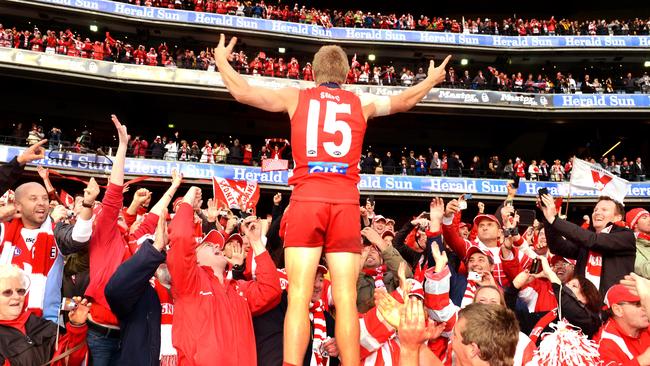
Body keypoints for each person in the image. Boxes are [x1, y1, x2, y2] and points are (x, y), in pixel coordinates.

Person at [213, 33, 451, 366]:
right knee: (345, 295)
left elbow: (242, 91)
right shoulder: (361, 103)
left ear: (312, 73)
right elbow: (404, 102)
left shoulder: (296, 98)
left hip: (308, 197)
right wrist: (430, 80)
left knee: (297, 296)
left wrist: (222, 60)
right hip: (344, 202)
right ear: (346, 75)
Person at [167, 186, 282, 366]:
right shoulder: (189, 281)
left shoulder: (239, 288)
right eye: (207, 245)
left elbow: (271, 290)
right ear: (194, 260)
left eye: (217, 245)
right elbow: (181, 237)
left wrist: (256, 242)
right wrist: (187, 202)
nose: (216, 246)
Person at [540, 194, 636, 296]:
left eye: (604, 210)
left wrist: (554, 220)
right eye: (595, 210)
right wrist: (548, 219)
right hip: (584, 304)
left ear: (618, 217)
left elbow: (593, 240)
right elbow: (558, 247)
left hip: (612, 306)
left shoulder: (626, 235)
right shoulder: (586, 240)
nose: (597, 212)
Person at [0, 265, 91, 366]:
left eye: (20, 291)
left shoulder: (39, 323)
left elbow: (70, 361)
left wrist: (76, 326)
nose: (17, 297)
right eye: (7, 292)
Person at [596, 279, 650, 365]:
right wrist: (643, 361)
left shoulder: (646, 326)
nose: (646, 308)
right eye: (638, 304)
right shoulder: (604, 342)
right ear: (618, 310)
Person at [626, 208, 650, 278]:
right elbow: (644, 269)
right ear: (635, 224)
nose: (649, 219)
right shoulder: (630, 245)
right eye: (644, 218)